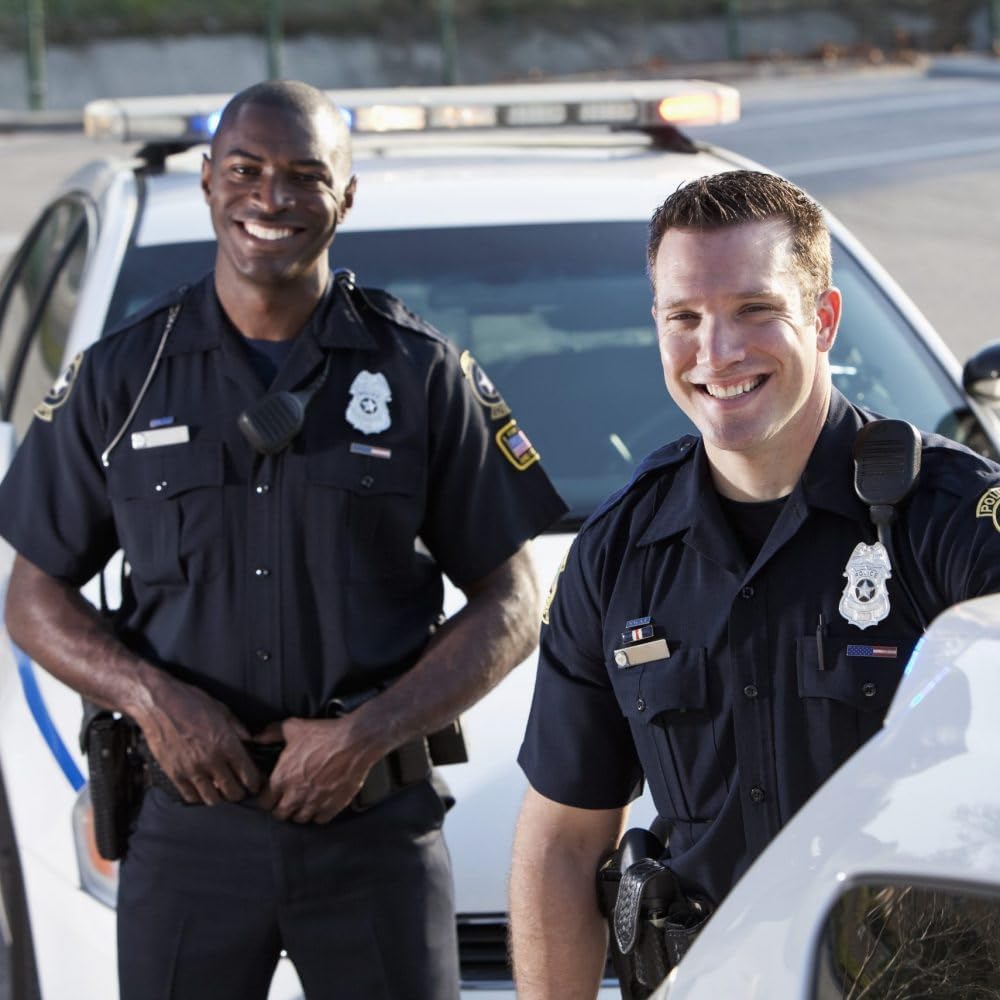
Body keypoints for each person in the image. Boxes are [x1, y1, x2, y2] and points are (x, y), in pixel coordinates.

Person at [0, 80, 566, 1000]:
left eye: (306, 175)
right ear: (208, 182)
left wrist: (366, 735)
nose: (272, 198)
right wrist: (154, 701)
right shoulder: (125, 376)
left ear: (347, 196)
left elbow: (515, 600)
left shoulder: (418, 372)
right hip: (190, 833)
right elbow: (32, 597)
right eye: (246, 170)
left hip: (373, 832)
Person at [508, 169, 1000, 998]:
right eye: (685, 317)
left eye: (754, 310)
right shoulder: (617, 552)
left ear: (824, 318)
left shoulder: (953, 523)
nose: (717, 352)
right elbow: (563, 838)